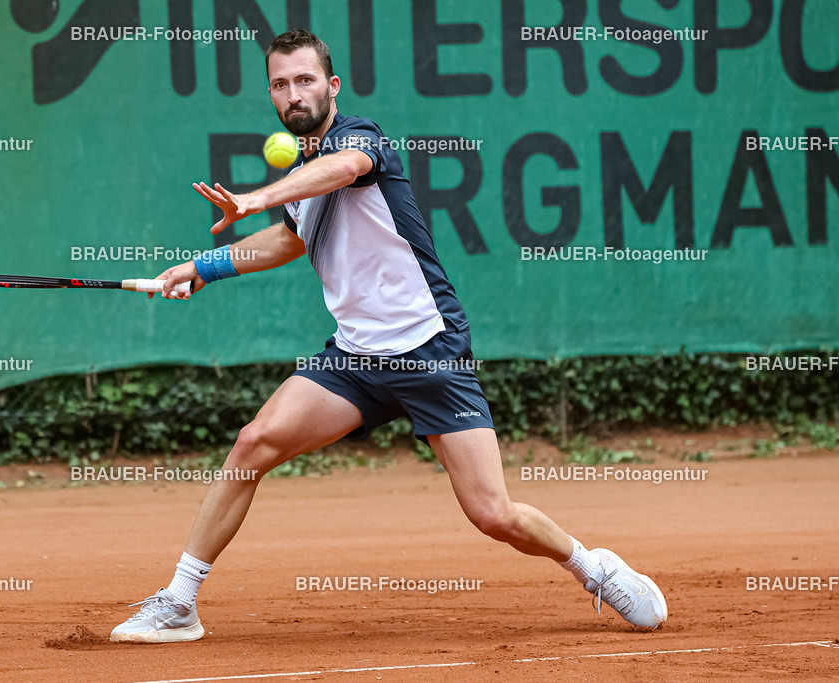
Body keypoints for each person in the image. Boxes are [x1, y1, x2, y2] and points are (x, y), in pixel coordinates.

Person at [110, 29, 667, 643]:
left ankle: (594, 568)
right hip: (354, 357)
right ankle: (180, 602)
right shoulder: (302, 174)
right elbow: (289, 240)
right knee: (253, 443)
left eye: (305, 80)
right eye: (280, 84)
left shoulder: (360, 139)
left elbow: (345, 169)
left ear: (332, 86)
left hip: (429, 349)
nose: (294, 94)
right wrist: (203, 267)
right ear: (270, 94)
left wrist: (257, 197)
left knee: (493, 514)